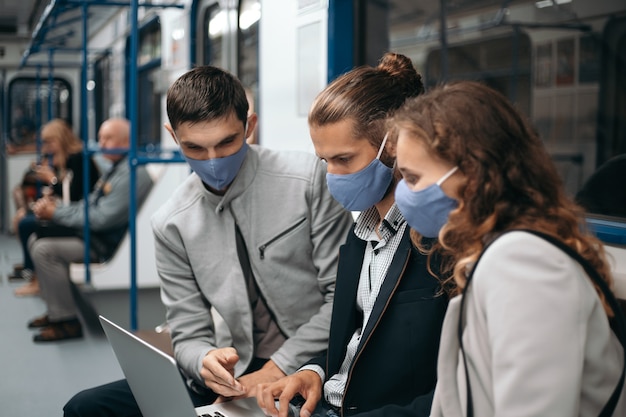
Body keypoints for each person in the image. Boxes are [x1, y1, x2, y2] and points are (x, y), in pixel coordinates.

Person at [62, 66, 354, 417]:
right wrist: (205, 361)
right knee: (85, 408)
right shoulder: (172, 223)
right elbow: (187, 334)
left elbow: (342, 298)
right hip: (235, 367)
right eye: (195, 148)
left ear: (250, 126)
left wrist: (275, 369)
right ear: (174, 136)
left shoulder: (307, 180)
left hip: (311, 358)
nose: (214, 161)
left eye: (227, 142)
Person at [390, 80, 626, 416]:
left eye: (412, 179)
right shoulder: (500, 252)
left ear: (472, 174)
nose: (404, 195)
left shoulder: (524, 263)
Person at [256, 52, 450, 417]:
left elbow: (450, 392)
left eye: (344, 159)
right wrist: (313, 371)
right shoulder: (358, 234)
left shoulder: (435, 240)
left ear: (391, 145)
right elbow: (359, 338)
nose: (333, 176)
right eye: (324, 161)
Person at [26, 118, 153, 342]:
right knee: (36, 238)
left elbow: (102, 218)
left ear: (126, 141)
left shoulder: (133, 175)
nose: (101, 143)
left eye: (108, 138)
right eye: (101, 137)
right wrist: (58, 209)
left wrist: (56, 213)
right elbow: (89, 204)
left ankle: (66, 322)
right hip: (94, 235)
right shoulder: (115, 169)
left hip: (103, 243)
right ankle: (56, 309)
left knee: (44, 249)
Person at [11, 118, 100, 296]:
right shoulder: (64, 160)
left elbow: (74, 196)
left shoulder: (79, 160)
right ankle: (35, 275)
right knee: (26, 219)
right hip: (68, 210)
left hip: (77, 216)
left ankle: (36, 278)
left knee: (29, 224)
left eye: (50, 142)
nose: (47, 147)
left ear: (61, 139)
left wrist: (51, 180)